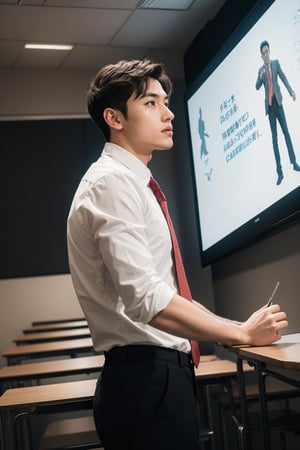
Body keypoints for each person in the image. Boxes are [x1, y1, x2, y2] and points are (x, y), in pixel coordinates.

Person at [67, 58, 288, 450]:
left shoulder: (134, 183)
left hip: (158, 377)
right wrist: (238, 332)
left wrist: (239, 328)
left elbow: (170, 294)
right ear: (114, 117)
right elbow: (148, 301)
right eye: (151, 103)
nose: (168, 113)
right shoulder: (111, 184)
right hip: (144, 381)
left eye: (165, 102)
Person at [256, 40, 300, 185]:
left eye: (267, 51)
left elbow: (283, 77)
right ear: (261, 56)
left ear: (269, 51)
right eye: (263, 53)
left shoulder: (275, 64)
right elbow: (256, 87)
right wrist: (260, 77)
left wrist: (291, 91)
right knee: (274, 139)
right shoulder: (260, 70)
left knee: (286, 132)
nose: (266, 55)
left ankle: (294, 162)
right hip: (270, 107)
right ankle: (279, 173)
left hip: (278, 103)